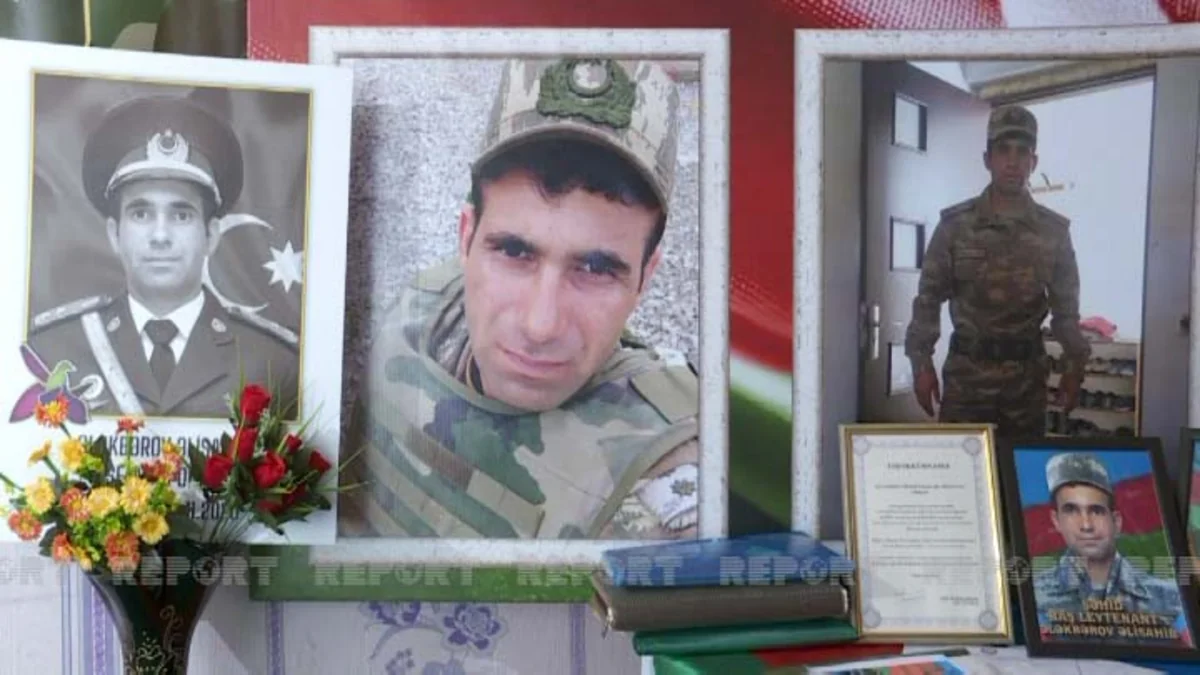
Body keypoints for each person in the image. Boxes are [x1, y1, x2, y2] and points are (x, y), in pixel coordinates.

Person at [341, 57, 700, 541]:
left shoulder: (671, 478)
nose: (540, 325)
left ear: (645, 277)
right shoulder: (421, 306)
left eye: (596, 269)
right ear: (466, 238)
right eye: (514, 252)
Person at [26, 89, 301, 420]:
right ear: (114, 234)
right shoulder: (52, 350)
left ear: (211, 235)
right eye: (141, 214)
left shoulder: (272, 362)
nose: (160, 236)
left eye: (181, 215)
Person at [903, 104, 1090, 439]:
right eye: (1003, 150)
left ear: (1034, 162)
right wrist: (921, 364)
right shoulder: (955, 227)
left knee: (1018, 469)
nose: (1013, 162)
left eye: (1022, 152)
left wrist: (1075, 368)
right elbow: (928, 300)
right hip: (967, 382)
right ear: (987, 159)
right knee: (961, 468)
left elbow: (1066, 312)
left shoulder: (1053, 233)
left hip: (1025, 385)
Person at [1032, 452, 1188, 643]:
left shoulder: (1168, 597)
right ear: (1056, 521)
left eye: (1096, 511)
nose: (1086, 525)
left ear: (1116, 522)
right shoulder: (1035, 595)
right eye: (1071, 510)